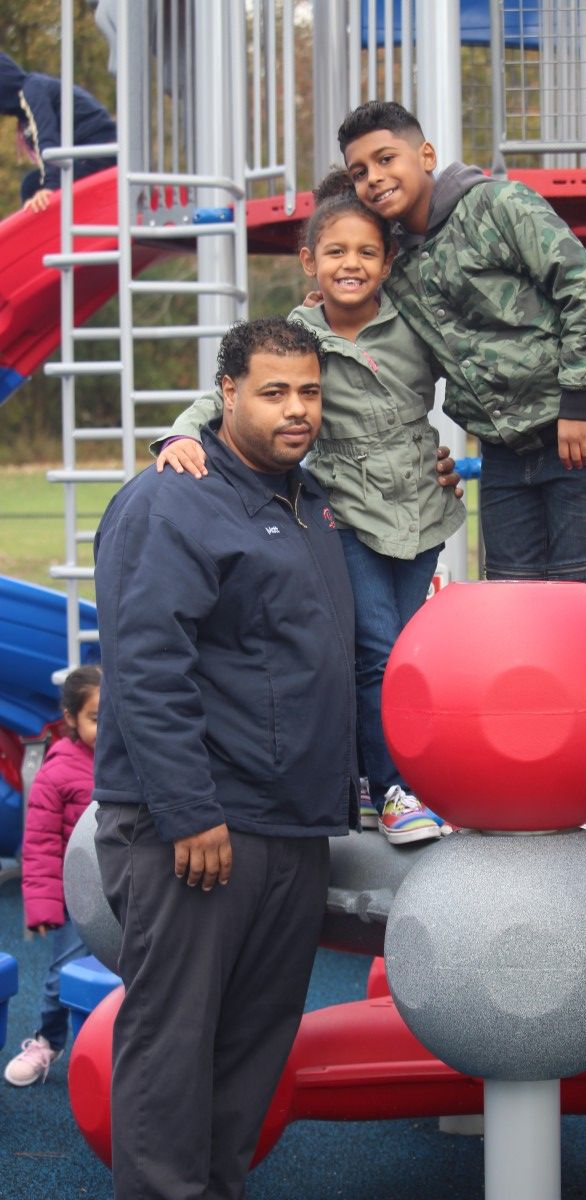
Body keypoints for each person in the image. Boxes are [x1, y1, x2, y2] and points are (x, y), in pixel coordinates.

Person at [92, 317, 358, 1200]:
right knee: (173, 1054)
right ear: (227, 395)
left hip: (290, 825)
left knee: (248, 1055)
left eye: (310, 392)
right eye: (275, 392)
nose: (297, 410)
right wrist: (188, 810)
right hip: (198, 827)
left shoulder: (309, 502)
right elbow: (143, 662)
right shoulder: (172, 498)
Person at [154, 175, 465, 846]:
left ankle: (381, 777)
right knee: (376, 653)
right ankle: (390, 790)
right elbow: (226, 396)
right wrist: (182, 430)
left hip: (419, 508)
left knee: (412, 652)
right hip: (350, 513)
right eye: (334, 253)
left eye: (366, 253)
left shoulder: (411, 324)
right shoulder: (299, 333)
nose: (350, 265)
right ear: (309, 262)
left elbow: (474, 376)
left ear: (387, 262)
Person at [338, 100, 586, 605]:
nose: (375, 177)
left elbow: (584, 289)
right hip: (505, 452)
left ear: (425, 155)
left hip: (583, 429)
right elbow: (396, 355)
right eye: (360, 171)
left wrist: (581, 402)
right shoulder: (393, 262)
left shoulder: (498, 206)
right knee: (508, 604)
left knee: (578, 599)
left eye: (387, 159)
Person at [3, 665, 101, 1087]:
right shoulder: (58, 770)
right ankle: (49, 1039)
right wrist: (44, 905)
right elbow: (41, 844)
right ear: (72, 719)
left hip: (133, 891)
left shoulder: (137, 762)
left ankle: (123, 1048)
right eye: (97, 719)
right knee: (66, 970)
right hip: (81, 895)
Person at [0, 52, 116, 213]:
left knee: (33, 185)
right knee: (31, 183)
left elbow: (47, 139)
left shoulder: (32, 90)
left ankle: (49, 232)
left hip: (101, 155)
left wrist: (51, 187)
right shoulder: (23, 113)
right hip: (83, 157)